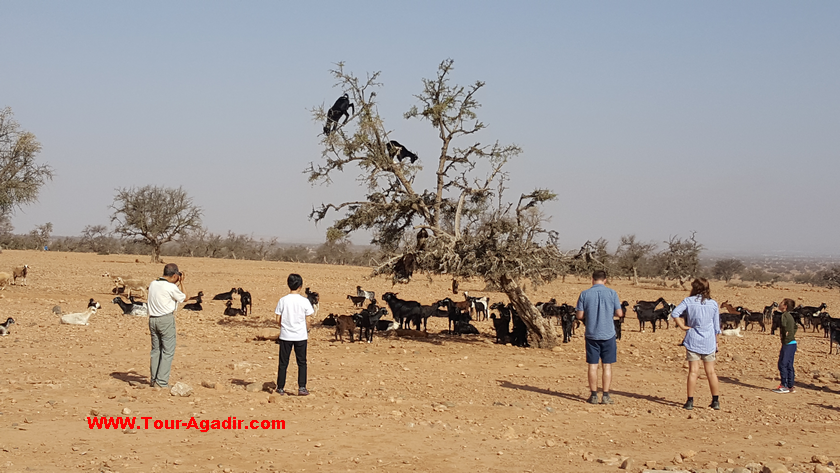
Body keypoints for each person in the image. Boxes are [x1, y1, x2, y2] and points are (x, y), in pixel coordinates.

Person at [671, 278, 721, 410]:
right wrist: (716, 342)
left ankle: (689, 401)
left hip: (693, 339)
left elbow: (675, 313)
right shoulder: (713, 304)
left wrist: (682, 326)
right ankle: (715, 401)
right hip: (709, 341)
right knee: (711, 372)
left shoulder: (689, 301)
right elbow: (716, 326)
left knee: (693, 372)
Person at [575, 270, 623, 405]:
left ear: (592, 279)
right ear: (605, 280)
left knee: (593, 365)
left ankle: (594, 395)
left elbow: (579, 315)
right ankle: (606, 395)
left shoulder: (585, 294)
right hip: (608, 334)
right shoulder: (612, 293)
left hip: (591, 334)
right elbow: (619, 313)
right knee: (607, 365)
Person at [274, 273, 315, 396]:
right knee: (302, 362)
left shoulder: (283, 300)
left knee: (283, 362)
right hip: (301, 336)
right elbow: (309, 319)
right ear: (300, 286)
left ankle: (280, 387)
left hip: (285, 336)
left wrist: (285, 327)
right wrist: (306, 330)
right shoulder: (304, 301)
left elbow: (277, 319)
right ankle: (302, 387)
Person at [147, 263, 186, 388]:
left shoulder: (153, 283)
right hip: (165, 320)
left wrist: (176, 282)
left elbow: (167, 288)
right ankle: (162, 382)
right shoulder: (171, 287)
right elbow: (184, 298)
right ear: (175, 275)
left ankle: (154, 379)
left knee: (156, 350)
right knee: (168, 351)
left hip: (152, 320)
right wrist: (183, 283)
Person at [773, 298, 798, 394]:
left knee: (782, 364)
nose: (779, 304)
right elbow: (795, 327)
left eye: (781, 303)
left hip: (787, 343)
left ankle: (784, 386)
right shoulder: (790, 316)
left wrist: (786, 337)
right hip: (792, 343)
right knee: (789, 365)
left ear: (785, 306)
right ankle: (791, 386)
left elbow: (784, 327)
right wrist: (791, 335)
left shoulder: (784, 316)